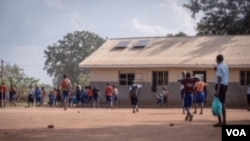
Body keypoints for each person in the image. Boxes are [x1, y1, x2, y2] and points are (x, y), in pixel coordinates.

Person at [213, 54, 229, 127]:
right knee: (222, 103)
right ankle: (224, 121)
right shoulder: (225, 66)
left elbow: (219, 79)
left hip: (220, 85)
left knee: (218, 104)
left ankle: (220, 122)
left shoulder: (219, 66)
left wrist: (217, 91)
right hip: (225, 85)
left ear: (217, 60)